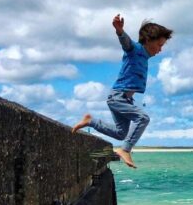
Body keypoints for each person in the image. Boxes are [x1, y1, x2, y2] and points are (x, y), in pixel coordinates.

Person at [72, 14, 173, 168]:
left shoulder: (145, 57)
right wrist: (120, 31)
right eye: (159, 45)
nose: (160, 49)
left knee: (121, 133)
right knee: (143, 118)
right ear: (148, 40)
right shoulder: (136, 49)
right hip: (118, 97)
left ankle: (90, 121)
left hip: (124, 99)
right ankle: (125, 150)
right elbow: (126, 43)